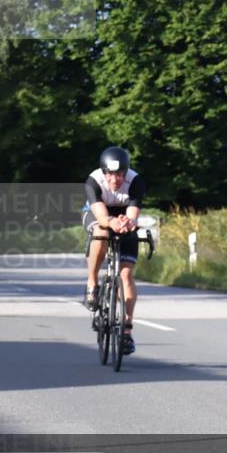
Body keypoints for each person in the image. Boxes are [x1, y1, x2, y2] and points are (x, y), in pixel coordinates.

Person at [82, 146, 147, 355]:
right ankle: (92, 281)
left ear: (126, 172)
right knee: (101, 231)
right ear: (104, 172)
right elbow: (101, 216)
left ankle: (127, 330)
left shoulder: (135, 181)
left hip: (123, 215)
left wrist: (128, 222)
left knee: (126, 274)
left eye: (120, 174)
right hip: (98, 214)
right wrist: (111, 222)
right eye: (111, 174)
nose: (115, 179)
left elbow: (133, 213)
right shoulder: (93, 181)